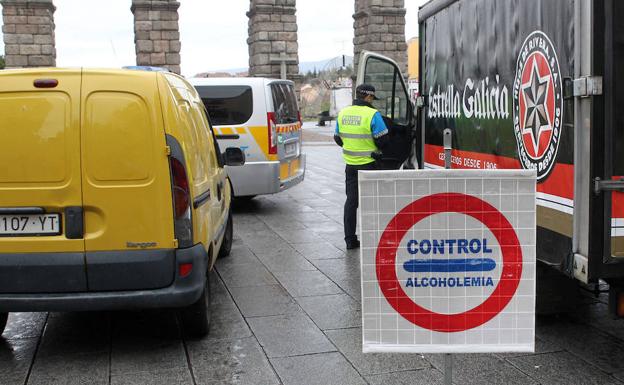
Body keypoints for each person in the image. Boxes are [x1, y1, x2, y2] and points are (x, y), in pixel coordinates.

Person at [334, 84, 390, 250]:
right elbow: (383, 141)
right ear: (369, 97)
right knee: (372, 202)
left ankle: (350, 240)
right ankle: (372, 238)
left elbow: (337, 138)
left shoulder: (343, 113)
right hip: (370, 165)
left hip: (350, 165)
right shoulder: (372, 114)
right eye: (372, 98)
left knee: (351, 202)